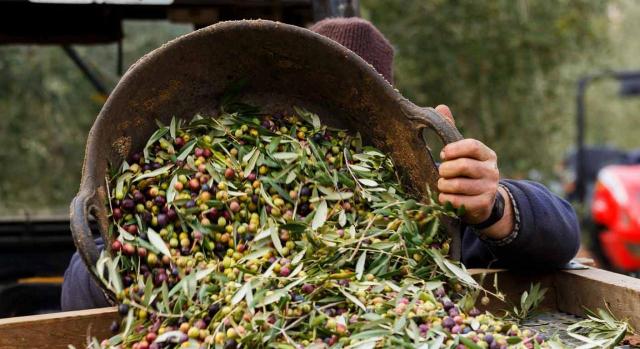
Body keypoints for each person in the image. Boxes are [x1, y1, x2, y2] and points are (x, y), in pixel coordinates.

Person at [61, 17, 580, 311]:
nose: (328, 145)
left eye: (350, 133)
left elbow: (561, 235)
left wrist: (495, 205)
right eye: (315, 127)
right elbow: (76, 296)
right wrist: (128, 246)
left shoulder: (413, 212)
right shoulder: (220, 190)